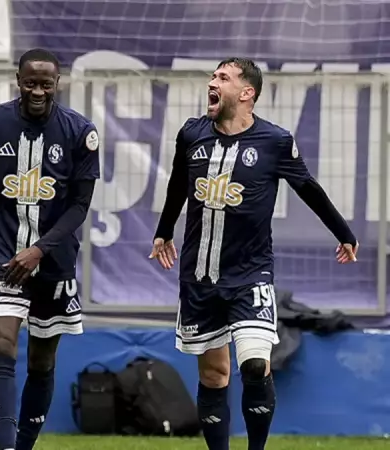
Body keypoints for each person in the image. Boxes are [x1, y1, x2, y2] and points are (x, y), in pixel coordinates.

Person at [150, 57, 358, 450]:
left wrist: (343, 232)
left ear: (247, 94)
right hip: (199, 276)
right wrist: (163, 232)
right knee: (213, 375)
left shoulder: (275, 141)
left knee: (255, 364)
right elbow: (178, 183)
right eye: (213, 75)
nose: (213, 82)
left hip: (251, 274)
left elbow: (308, 187)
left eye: (223, 78)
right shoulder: (191, 134)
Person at [0, 48, 100, 450]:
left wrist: (39, 249)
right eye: (30, 83)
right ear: (18, 81)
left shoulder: (80, 131)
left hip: (54, 261)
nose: (38, 91)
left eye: (46, 84)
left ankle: (23, 446)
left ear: (58, 83)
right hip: (1, 257)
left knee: (41, 361)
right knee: (2, 344)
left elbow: (80, 206)